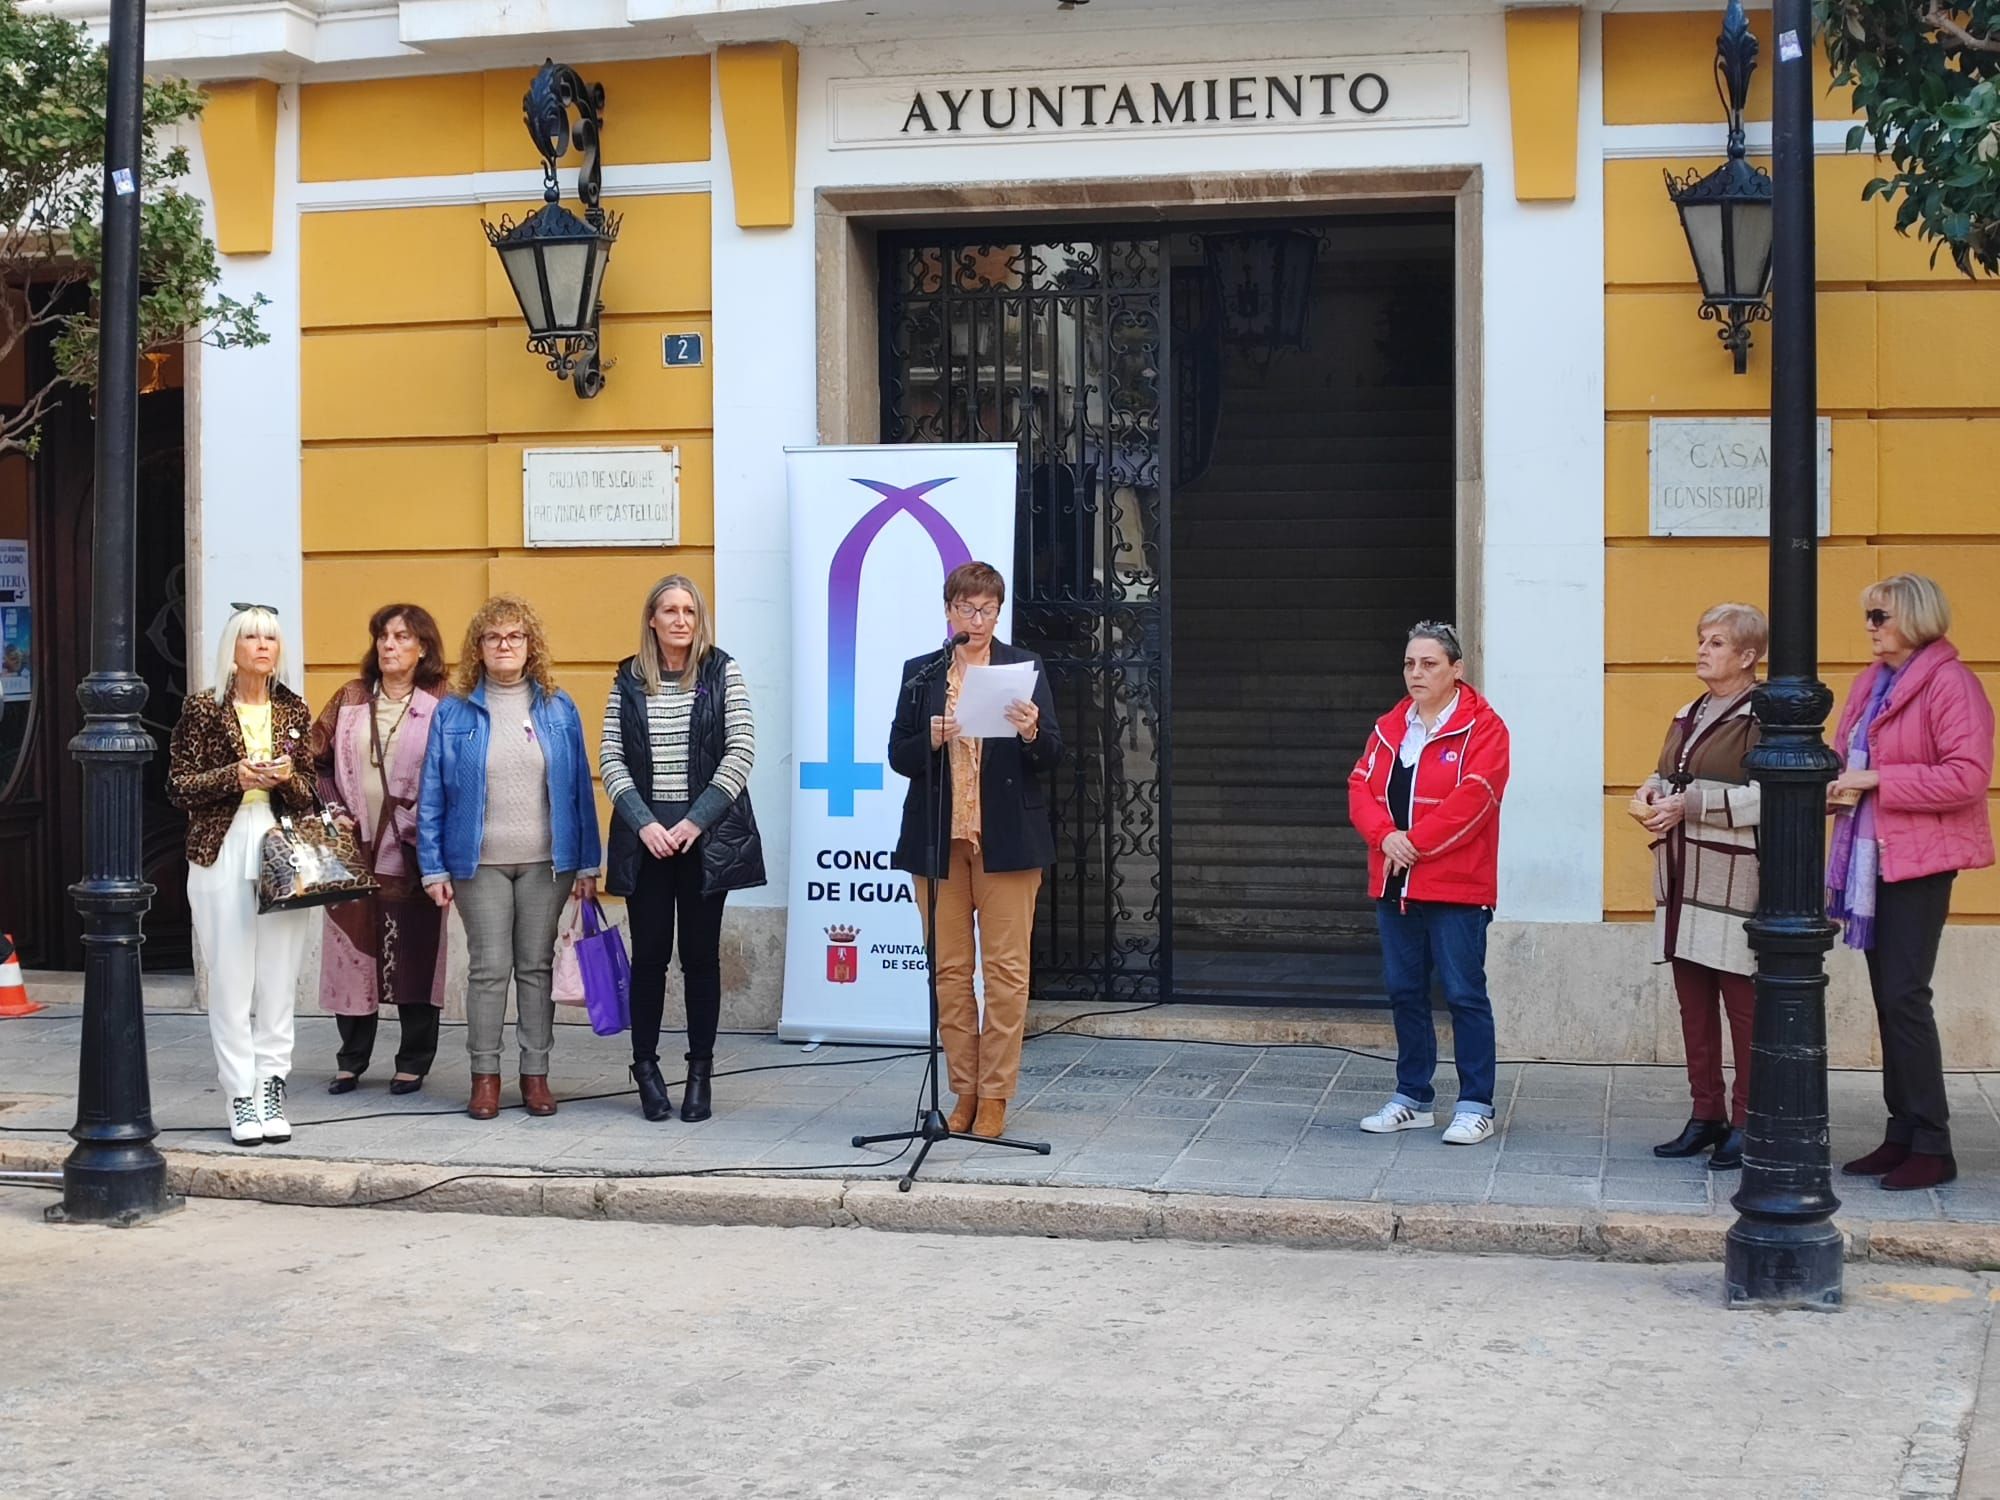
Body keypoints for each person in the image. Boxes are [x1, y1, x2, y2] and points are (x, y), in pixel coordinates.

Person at [1830, 574, 1994, 1191]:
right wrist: (1836, 784)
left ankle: (1932, 1142)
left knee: (1904, 996)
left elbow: (1966, 778)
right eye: (1868, 615)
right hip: (1872, 856)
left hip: (1921, 858)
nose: (1870, 626)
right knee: (1888, 997)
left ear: (1916, 618)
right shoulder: (1871, 683)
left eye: (1880, 616)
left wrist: (1877, 782)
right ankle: (1902, 1133)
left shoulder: (1952, 684)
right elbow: (1845, 755)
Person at [888, 561, 1062, 1141]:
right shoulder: (924, 673)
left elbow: (1054, 757)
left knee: (1007, 975)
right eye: (967, 608)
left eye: (988, 608)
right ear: (948, 612)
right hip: (941, 845)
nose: (978, 619)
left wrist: (1034, 730)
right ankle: (962, 1089)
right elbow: (898, 756)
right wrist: (929, 738)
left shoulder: (1023, 667)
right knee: (950, 973)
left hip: (1008, 843)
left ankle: (996, 1095)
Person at [418, 595, 601, 1121]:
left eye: (515, 636)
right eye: (494, 637)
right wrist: (433, 866)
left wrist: (589, 863)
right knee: (490, 970)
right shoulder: (454, 711)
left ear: (530, 646)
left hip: (549, 861)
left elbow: (578, 791)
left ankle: (536, 1075)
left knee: (536, 969)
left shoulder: (557, 707)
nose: (504, 645)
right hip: (478, 864)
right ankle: (485, 1078)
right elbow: (432, 792)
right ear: (479, 647)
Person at [601, 575, 764, 1123]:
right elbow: (611, 759)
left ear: (699, 620)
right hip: (645, 841)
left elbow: (740, 750)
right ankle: (644, 1068)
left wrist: (695, 821)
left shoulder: (722, 671)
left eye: (689, 611)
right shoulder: (627, 678)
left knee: (699, 959)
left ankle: (700, 1071)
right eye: (668, 610)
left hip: (705, 840)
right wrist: (646, 824)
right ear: (651, 618)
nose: (679, 620)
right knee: (648, 959)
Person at [1346, 621, 1511, 1146]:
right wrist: (1384, 835)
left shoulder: (1485, 728)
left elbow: (1477, 798)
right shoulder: (1389, 726)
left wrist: (1411, 843)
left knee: (1464, 993)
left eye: (1429, 664)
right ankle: (1412, 1097)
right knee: (1405, 992)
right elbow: (1360, 787)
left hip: (1456, 885)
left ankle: (1475, 1103)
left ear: (1456, 670)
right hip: (1395, 885)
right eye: (1409, 664)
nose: (1416, 673)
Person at [167, 604, 318, 1146]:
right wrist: (236, 775)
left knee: (278, 976)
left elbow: (311, 794)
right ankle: (239, 1091)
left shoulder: (293, 710)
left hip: (280, 843)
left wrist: (285, 777)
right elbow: (178, 787)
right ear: (232, 646)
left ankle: (271, 1084)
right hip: (221, 845)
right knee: (232, 978)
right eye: (251, 636)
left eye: (271, 638)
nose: (262, 646)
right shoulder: (203, 710)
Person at [1629, 603, 1768, 1172]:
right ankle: (1705, 1113)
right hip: (1682, 875)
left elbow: (1773, 793)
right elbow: (1667, 774)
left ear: (1747, 655)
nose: (1703, 651)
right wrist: (1647, 797)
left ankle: (1746, 1120)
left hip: (1732, 880)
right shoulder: (1690, 711)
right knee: (1693, 1004)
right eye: (1702, 640)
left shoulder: (1765, 714)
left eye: (1716, 643)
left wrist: (1690, 804)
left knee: (1743, 1006)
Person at [311, 604, 450, 1096]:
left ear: (423, 647)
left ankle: (413, 1059)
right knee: (352, 949)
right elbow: (313, 761)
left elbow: (457, 771)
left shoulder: (443, 701)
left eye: (401, 637)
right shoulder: (349, 697)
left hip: (413, 849)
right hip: (352, 845)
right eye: (383, 637)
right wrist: (334, 809)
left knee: (416, 949)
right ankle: (351, 1058)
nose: (389, 646)